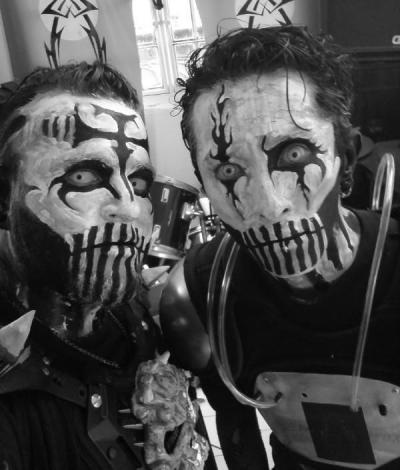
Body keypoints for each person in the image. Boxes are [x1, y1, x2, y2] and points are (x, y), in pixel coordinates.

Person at [160, 26, 400, 470]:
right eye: (229, 172)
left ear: (346, 157)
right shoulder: (200, 296)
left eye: (292, 156)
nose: (269, 206)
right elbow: (237, 435)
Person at [0, 61, 168, 470]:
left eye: (139, 183)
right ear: (5, 199)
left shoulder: (144, 325)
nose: (130, 208)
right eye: (83, 178)